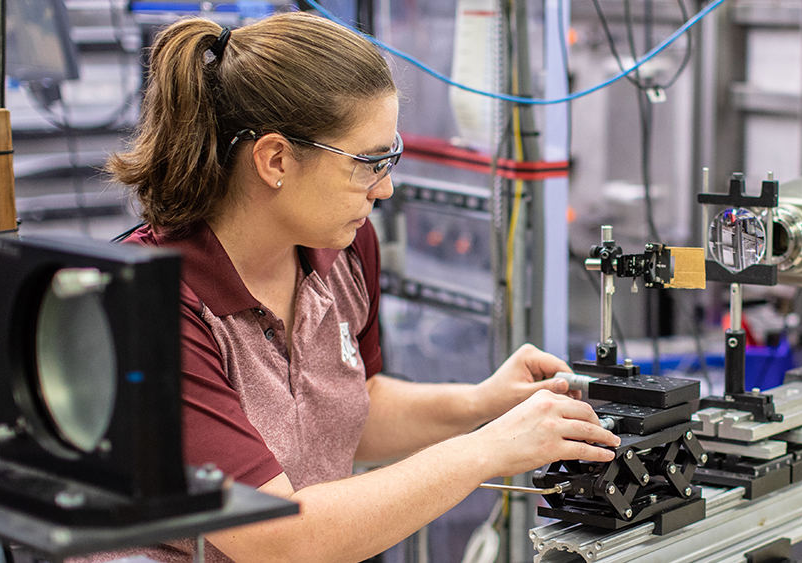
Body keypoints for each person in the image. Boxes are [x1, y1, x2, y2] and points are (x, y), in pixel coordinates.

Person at [101, 11, 620, 562]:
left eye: (389, 159)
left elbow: (348, 409)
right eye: (369, 163)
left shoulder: (344, 251)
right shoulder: (151, 304)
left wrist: (481, 403)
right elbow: (277, 539)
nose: (387, 189)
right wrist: (486, 450)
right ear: (275, 159)